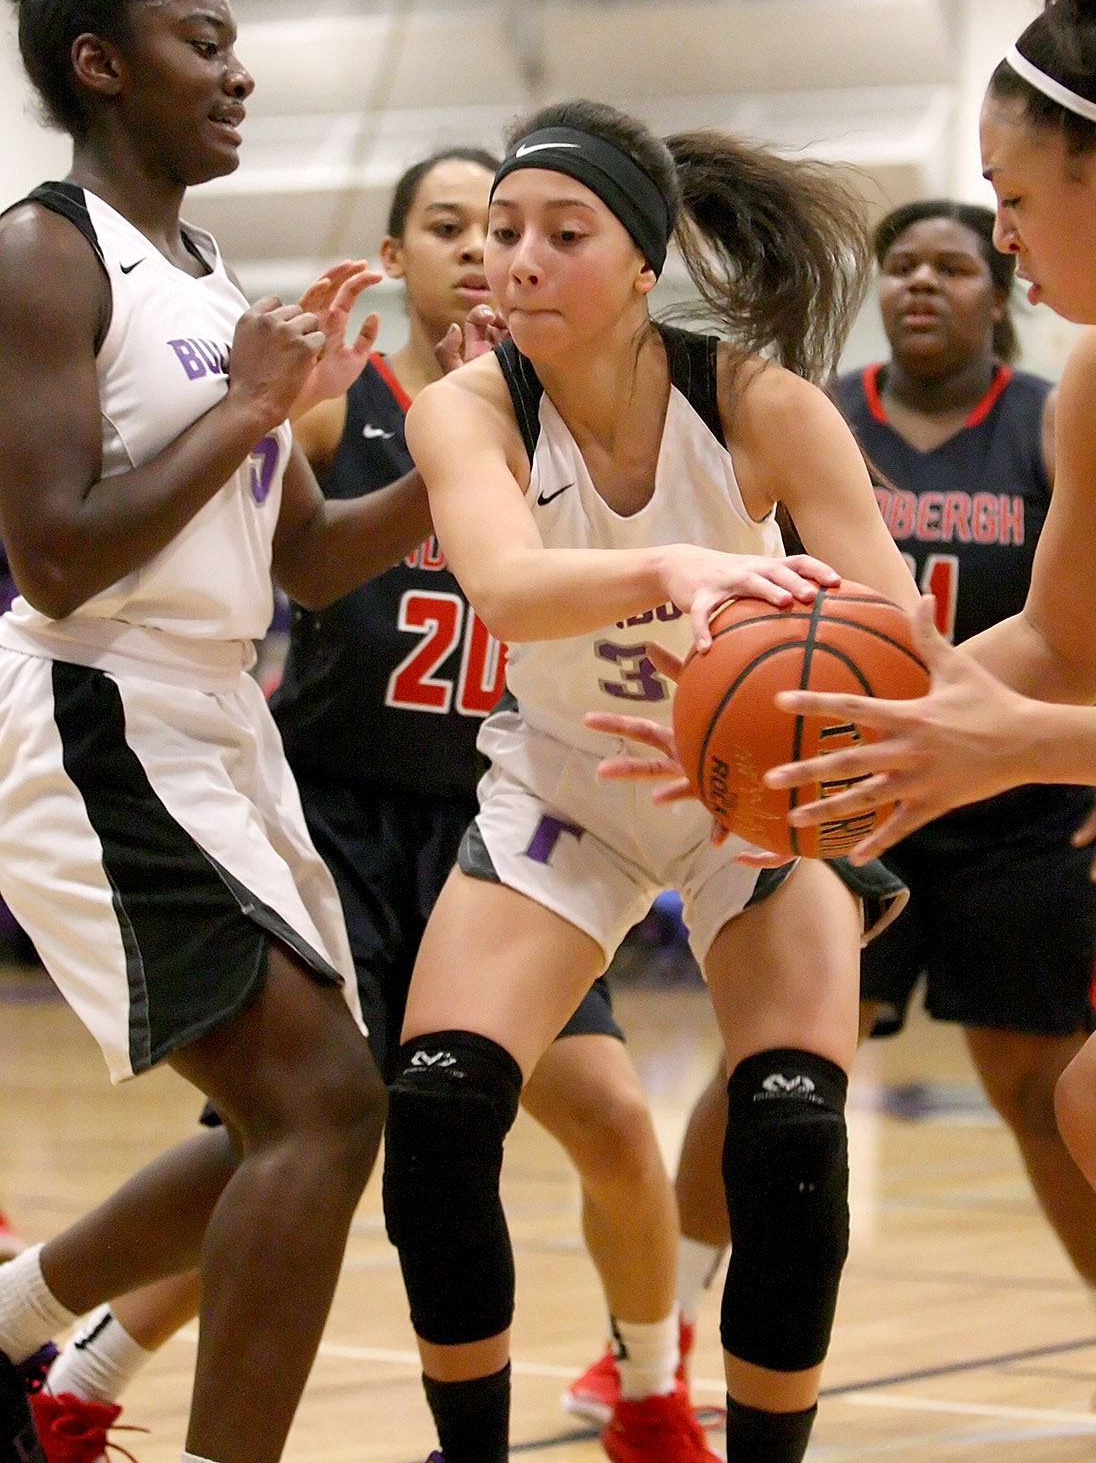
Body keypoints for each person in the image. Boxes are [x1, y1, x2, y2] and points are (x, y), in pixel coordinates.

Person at [32, 148, 691, 1463]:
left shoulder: (569, 413)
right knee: (299, 1138)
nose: (472, 249)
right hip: (338, 812)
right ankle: (86, 1370)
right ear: (397, 260)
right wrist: (277, 412)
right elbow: (289, 536)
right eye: (444, 226)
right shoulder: (352, 406)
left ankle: (649, 1385)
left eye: (490, 227)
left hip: (507, 827)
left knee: (609, 1115)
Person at [751, 0, 1096, 1463]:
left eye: (1009, 199)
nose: (995, 237)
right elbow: (1049, 643)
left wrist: (1025, 741)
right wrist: (836, 710)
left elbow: (1044, 705)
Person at [389, 96, 921, 1463]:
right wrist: (678, 570)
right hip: (570, 784)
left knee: (790, 1134)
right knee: (438, 1110)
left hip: (745, 796)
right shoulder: (469, 406)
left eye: (561, 233)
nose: (515, 257)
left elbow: (894, 624)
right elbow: (505, 589)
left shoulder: (755, 405)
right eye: (501, 230)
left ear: (639, 266)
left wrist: (825, 732)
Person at [0, 0, 441, 1463]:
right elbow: (54, 548)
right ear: (102, 65)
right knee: (320, 1108)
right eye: (206, 42)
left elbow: (311, 559)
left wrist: (481, 429)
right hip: (94, 699)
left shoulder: (205, 273)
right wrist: (252, 408)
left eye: (238, 41)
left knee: (307, 1105)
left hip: (212, 713)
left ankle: (8, 1325)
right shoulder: (46, 257)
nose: (240, 70)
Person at [646, 196, 1096, 1407]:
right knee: (770, 1064)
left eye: (953, 264)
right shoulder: (815, 417)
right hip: (841, 793)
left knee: (1040, 1084)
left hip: (1019, 797)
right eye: (902, 267)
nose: (923, 285)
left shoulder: (1057, 419)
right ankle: (657, 1337)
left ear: (996, 293)